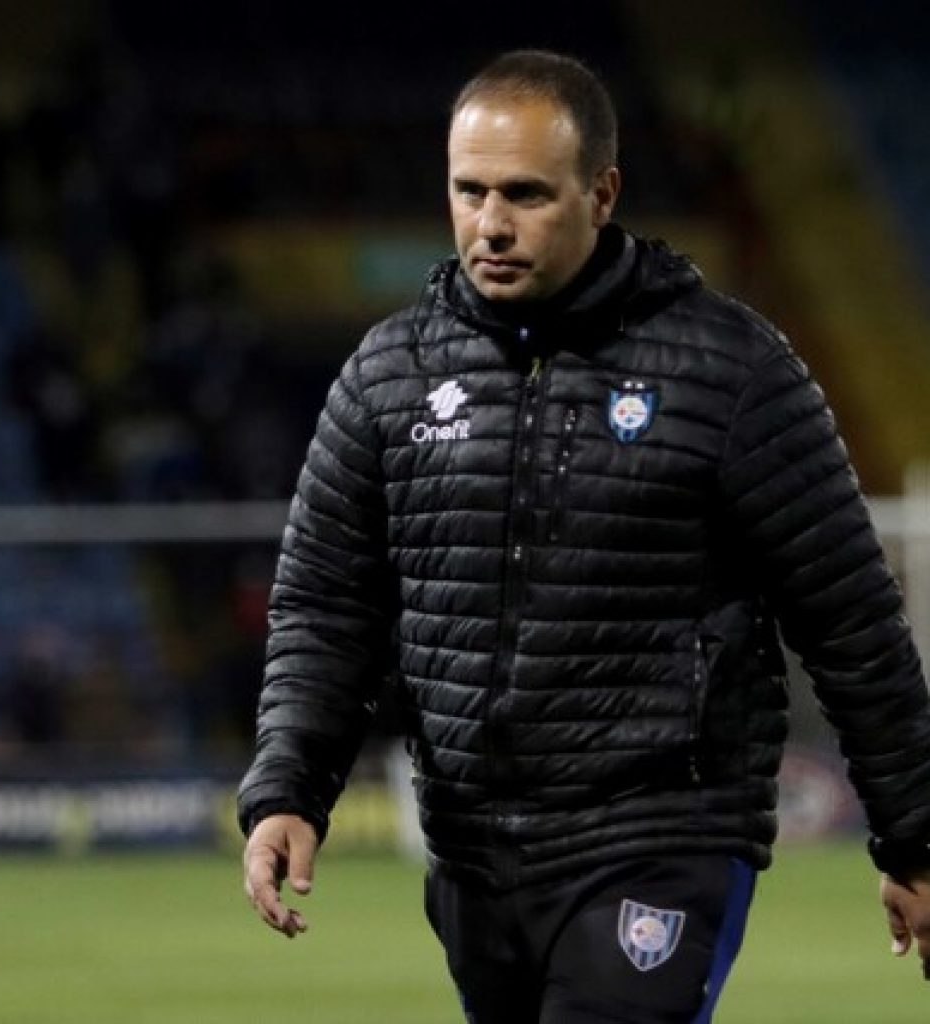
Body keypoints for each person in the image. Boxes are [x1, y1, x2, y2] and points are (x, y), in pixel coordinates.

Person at [237, 48, 930, 1022]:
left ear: (601, 192)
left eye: (525, 194)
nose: (490, 223)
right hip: (472, 850)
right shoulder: (387, 378)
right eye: (468, 191)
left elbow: (850, 617)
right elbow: (325, 609)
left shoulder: (729, 372)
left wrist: (914, 838)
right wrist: (287, 790)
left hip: (661, 834)